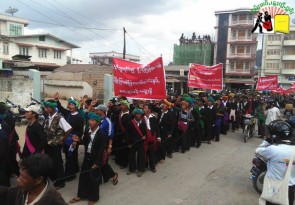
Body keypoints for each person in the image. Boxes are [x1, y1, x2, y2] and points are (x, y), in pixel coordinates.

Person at [0, 154, 68, 205]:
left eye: (23, 177)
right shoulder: (23, 189)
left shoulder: (54, 201)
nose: (18, 180)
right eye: (19, 175)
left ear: (39, 179)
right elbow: (7, 193)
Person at [69, 113, 107, 205]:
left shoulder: (102, 133)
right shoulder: (87, 131)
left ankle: (94, 198)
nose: (90, 122)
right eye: (90, 120)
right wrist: (78, 141)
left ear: (97, 123)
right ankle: (81, 195)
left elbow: (101, 150)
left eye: (93, 120)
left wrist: (97, 163)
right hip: (87, 157)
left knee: (94, 179)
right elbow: (84, 142)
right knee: (83, 176)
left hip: (95, 159)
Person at [255, 120, 295, 205]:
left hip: (273, 187)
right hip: (290, 188)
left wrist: (267, 140)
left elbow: (258, 151)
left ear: (275, 135)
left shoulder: (273, 149)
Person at [54, 93, 84, 182]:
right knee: (67, 155)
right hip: (66, 138)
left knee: (72, 156)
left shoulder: (79, 117)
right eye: (69, 104)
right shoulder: (67, 113)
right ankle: (74, 169)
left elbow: (80, 131)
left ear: (76, 107)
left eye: (72, 104)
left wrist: (76, 140)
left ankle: (70, 175)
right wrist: (56, 100)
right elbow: (60, 108)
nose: (70, 106)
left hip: (73, 139)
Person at [43, 100, 72, 189]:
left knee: (58, 162)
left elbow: (69, 129)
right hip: (48, 144)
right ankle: (54, 177)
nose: (46, 109)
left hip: (56, 144)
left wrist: (62, 139)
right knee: (50, 162)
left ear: (52, 108)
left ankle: (61, 182)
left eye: (47, 108)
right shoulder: (48, 117)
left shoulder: (59, 118)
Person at [94, 104, 118, 185]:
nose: (96, 111)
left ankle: (113, 175)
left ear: (102, 111)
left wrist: (109, 147)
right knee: (98, 161)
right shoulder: (97, 119)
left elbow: (111, 135)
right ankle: (101, 178)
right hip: (96, 144)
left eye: (97, 110)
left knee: (103, 163)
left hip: (104, 145)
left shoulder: (107, 121)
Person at [127, 108, 146, 177]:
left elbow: (145, 133)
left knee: (141, 156)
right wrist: (129, 143)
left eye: (140, 114)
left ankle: (140, 170)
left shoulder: (143, 123)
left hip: (140, 142)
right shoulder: (130, 122)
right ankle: (132, 169)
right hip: (132, 142)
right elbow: (127, 133)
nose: (139, 115)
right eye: (137, 114)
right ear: (134, 115)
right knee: (131, 156)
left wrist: (144, 136)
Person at [115, 100, 132, 169]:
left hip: (124, 135)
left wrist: (126, 138)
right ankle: (118, 160)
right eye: (121, 105)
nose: (122, 106)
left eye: (124, 105)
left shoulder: (128, 116)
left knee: (124, 150)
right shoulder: (120, 113)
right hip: (118, 133)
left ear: (127, 107)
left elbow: (128, 129)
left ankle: (124, 163)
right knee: (118, 148)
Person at [143, 104, 159, 173]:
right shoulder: (142, 117)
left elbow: (157, 128)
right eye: (144, 108)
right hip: (144, 137)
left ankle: (152, 167)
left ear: (149, 110)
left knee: (152, 152)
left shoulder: (153, 118)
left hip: (151, 137)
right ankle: (145, 165)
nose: (144, 109)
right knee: (145, 152)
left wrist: (158, 136)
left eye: (146, 108)